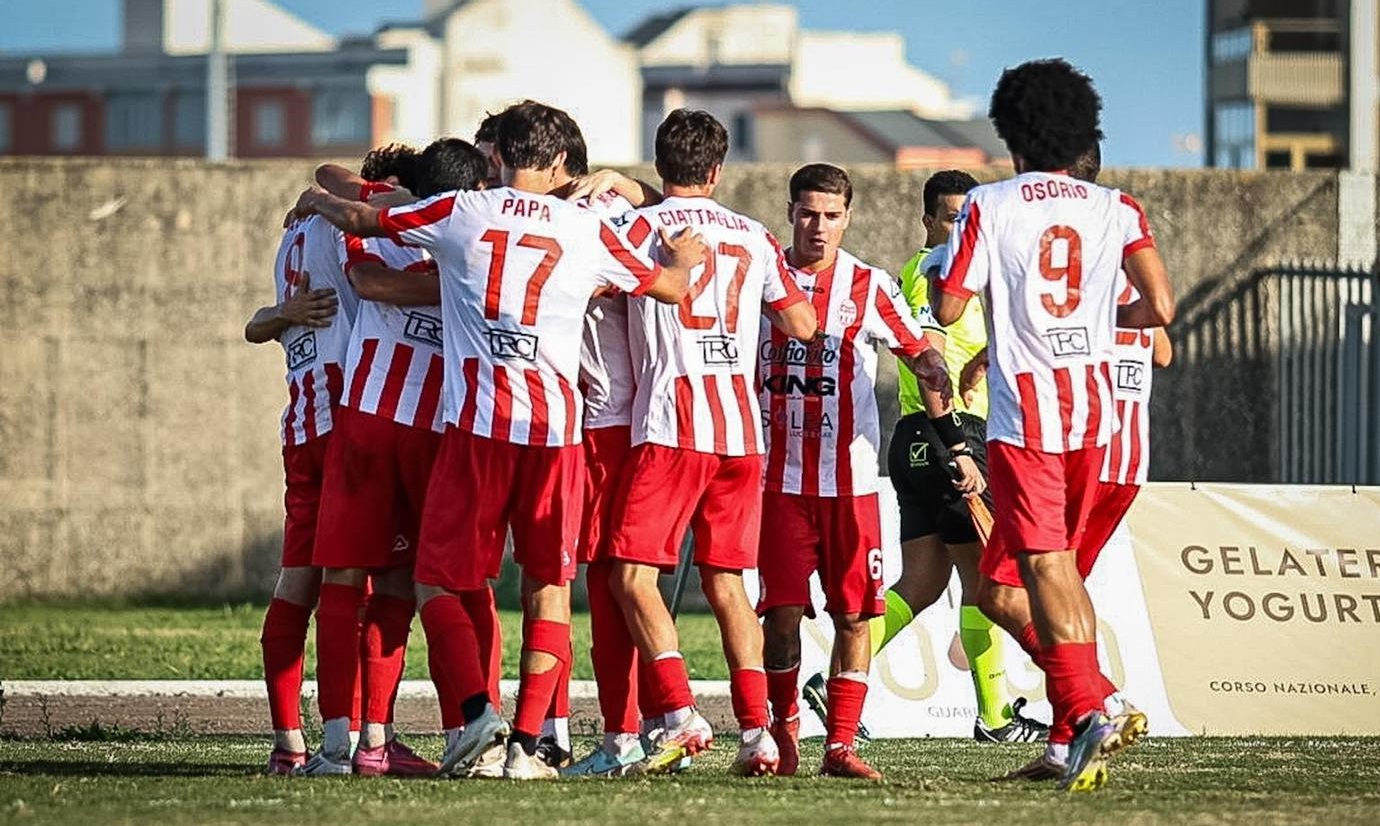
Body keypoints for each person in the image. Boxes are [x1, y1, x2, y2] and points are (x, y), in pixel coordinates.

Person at [289, 100, 699, 781]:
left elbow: (367, 219)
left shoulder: (462, 213)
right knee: (547, 591)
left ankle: (476, 714)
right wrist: (682, 260)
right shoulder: (584, 227)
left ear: (497, 158)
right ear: (563, 163)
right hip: (556, 434)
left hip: (477, 428)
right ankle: (529, 747)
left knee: (435, 579)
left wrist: (316, 199)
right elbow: (669, 289)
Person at [930, 59, 1174, 792]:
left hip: (1028, 420)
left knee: (1046, 569)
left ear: (1012, 134)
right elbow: (1158, 306)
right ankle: (1078, 724)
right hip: (1097, 419)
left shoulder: (990, 205)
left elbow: (947, 308)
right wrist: (1103, 319)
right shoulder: (1119, 208)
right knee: (1008, 588)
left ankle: (1093, 706)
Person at [603, 109, 819, 777]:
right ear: (718, 169)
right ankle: (758, 733)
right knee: (728, 583)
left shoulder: (634, 228)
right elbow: (803, 323)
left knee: (631, 576)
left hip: (672, 423)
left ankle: (678, 713)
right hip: (740, 433)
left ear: (659, 161)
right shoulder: (754, 237)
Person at [802, 170, 1048, 745]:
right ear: (928, 221)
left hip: (915, 441)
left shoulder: (947, 275)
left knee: (920, 583)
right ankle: (994, 717)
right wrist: (958, 442)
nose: (960, 226)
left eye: (968, 216)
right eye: (950, 216)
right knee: (982, 579)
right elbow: (928, 348)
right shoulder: (934, 272)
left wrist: (987, 354)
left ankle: (832, 681)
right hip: (949, 434)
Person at [756, 163, 973, 780]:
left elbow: (923, 355)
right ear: (791, 211)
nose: (818, 227)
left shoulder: (870, 285)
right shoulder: (760, 278)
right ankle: (784, 737)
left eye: (830, 216)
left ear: (847, 218)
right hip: (779, 485)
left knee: (856, 616)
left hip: (849, 486)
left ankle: (841, 746)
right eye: (807, 213)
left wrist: (955, 441)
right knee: (781, 621)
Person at [296, 138, 490, 777]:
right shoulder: (471, 235)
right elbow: (365, 275)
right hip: (412, 425)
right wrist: (450, 288)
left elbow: (365, 268)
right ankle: (356, 739)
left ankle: (358, 743)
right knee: (384, 582)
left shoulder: (381, 221)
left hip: (377, 422)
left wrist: (320, 197)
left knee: (372, 582)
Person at [245, 155, 360, 774]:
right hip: (345, 415)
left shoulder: (292, 233)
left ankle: (289, 740)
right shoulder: (343, 225)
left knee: (299, 579)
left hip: (302, 421)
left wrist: (282, 316)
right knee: (354, 585)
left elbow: (255, 324)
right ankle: (359, 740)